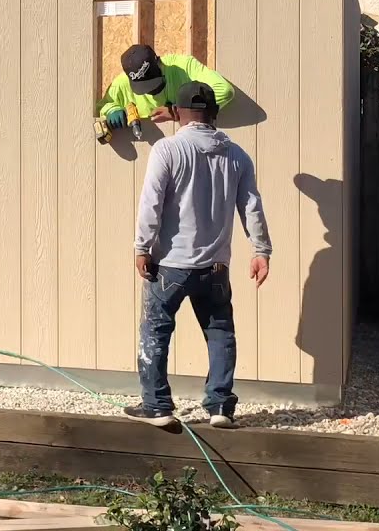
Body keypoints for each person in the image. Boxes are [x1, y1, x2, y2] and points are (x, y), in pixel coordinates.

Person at [127, 81, 272, 428]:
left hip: (170, 267)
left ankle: (157, 406)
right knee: (220, 332)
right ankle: (220, 407)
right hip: (215, 269)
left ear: (177, 113)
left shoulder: (168, 150)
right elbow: (251, 205)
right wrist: (261, 249)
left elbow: (152, 203)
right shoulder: (237, 155)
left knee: (156, 332)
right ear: (215, 115)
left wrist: (142, 247)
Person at [99, 44, 235, 129]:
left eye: (153, 83)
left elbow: (224, 90)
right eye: (144, 88)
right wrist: (112, 110)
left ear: (159, 62)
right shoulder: (122, 83)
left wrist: (176, 111)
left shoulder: (184, 67)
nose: (152, 91)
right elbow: (103, 106)